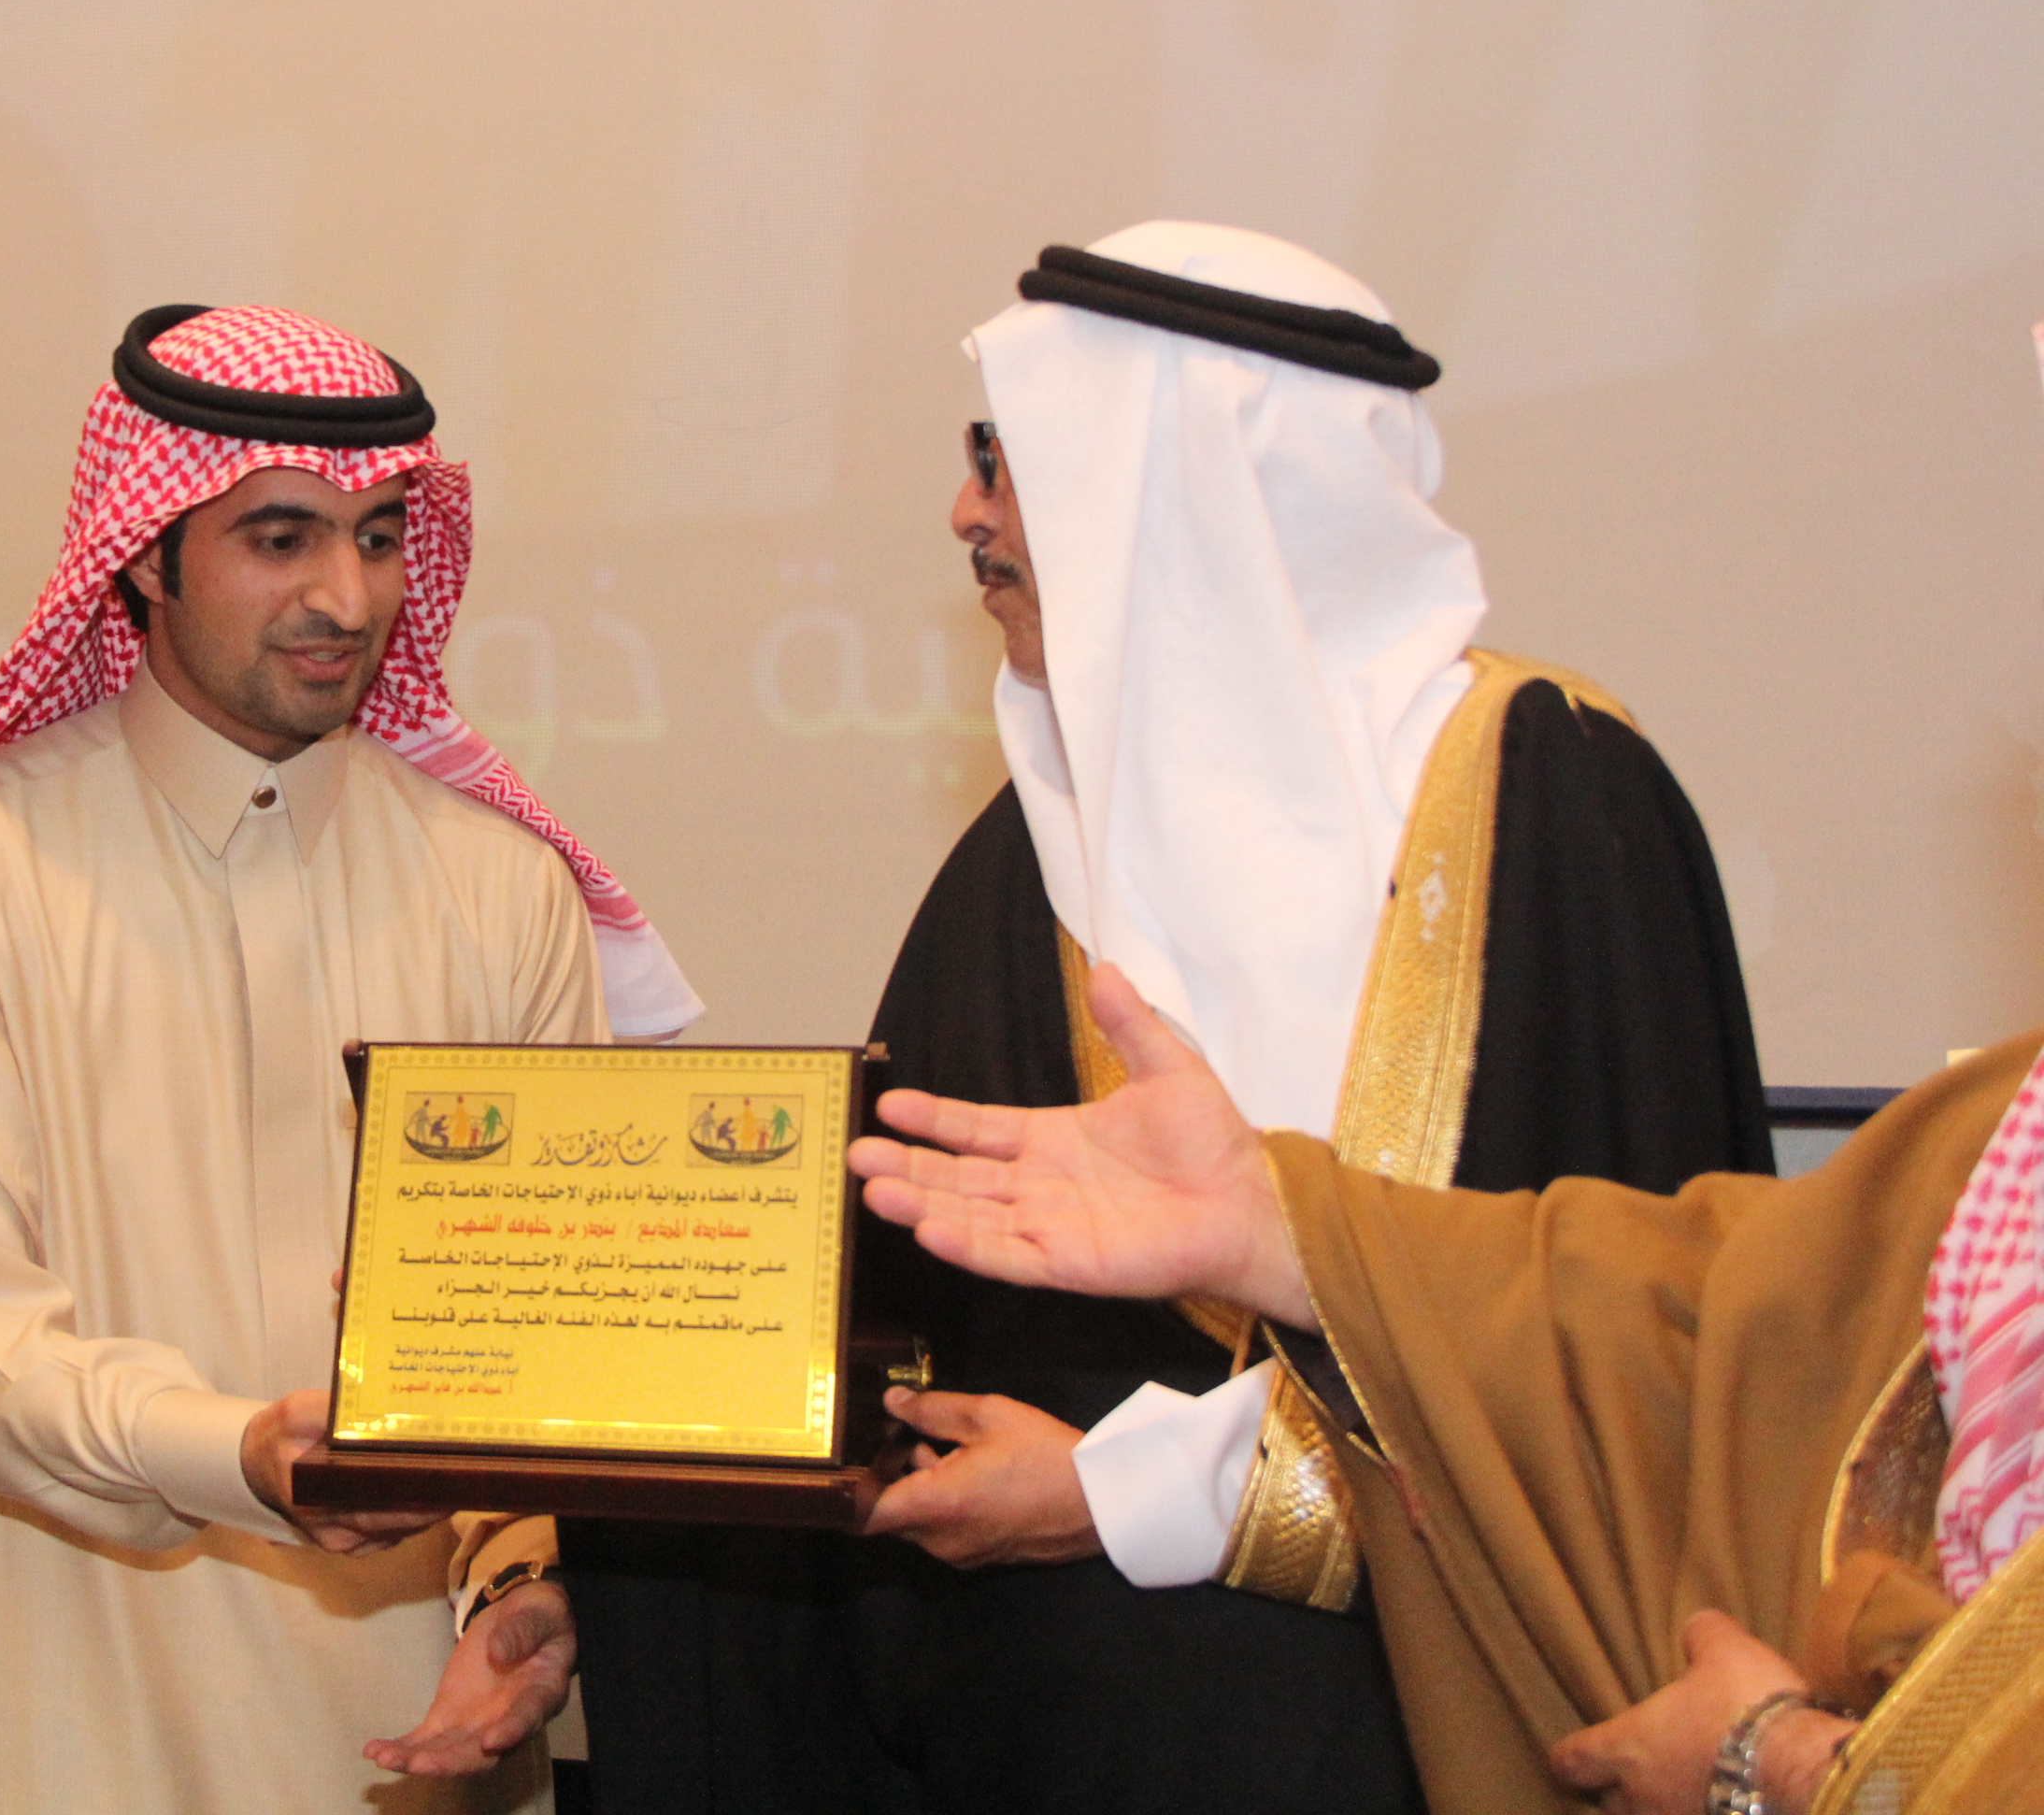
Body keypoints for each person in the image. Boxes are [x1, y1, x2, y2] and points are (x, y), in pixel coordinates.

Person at [563, 222, 1772, 1815]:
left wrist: (1130, 1495)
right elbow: (875, 1312)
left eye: (1006, 462)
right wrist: (538, 1356)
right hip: (1065, 1745)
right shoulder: (1032, 854)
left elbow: (1632, 1355)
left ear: (1177, 478)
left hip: (1441, 1746)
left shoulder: (1551, 800)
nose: (965, 515)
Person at [0, 304, 702, 1815]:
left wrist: (524, 1581)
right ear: (145, 554)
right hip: (64, 1738)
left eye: (381, 536)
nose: (349, 594)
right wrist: (244, 1452)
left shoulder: (500, 886)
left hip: (417, 1740)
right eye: (281, 537)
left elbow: (545, 1351)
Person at [850, 961, 2044, 1815]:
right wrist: (1289, 1235)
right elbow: (1728, 1311)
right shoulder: (1998, 1116)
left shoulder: (1556, 784)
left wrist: (1775, 1768)